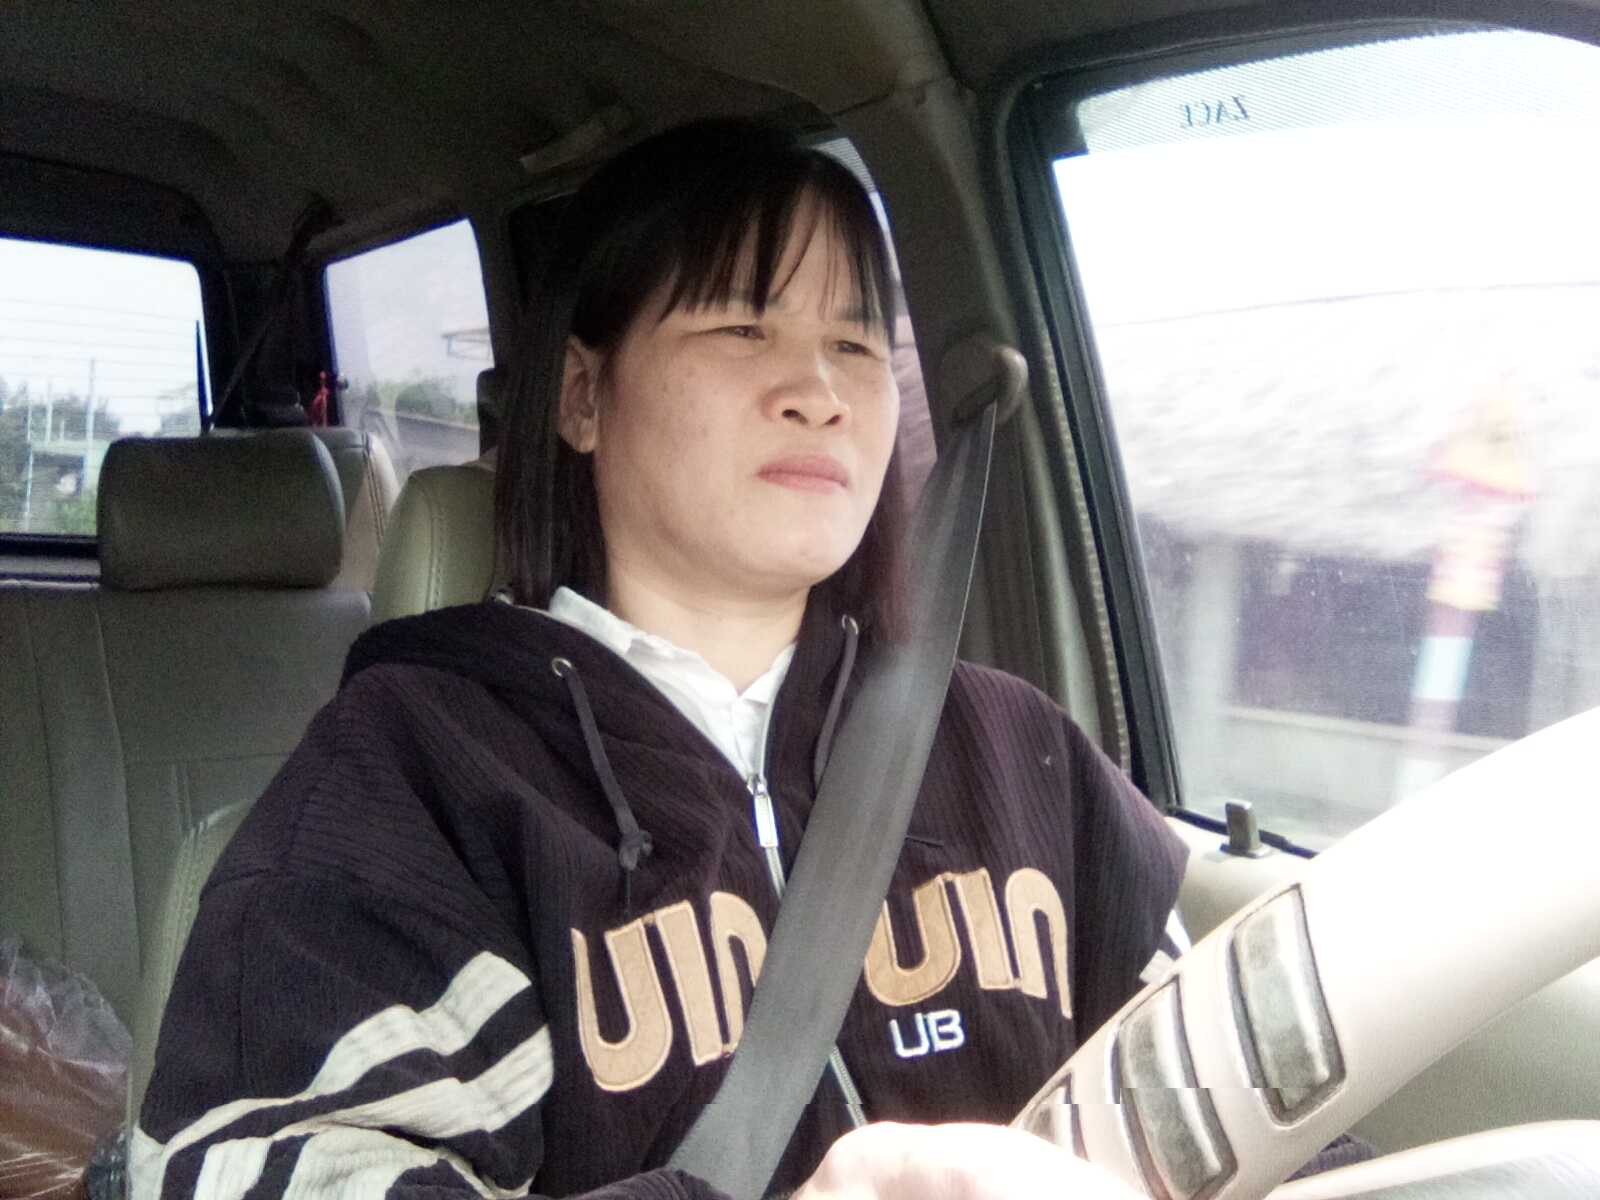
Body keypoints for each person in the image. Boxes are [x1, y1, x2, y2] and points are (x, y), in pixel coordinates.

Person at [131, 120, 1187, 1200]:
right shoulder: (423, 771)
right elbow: (267, 1172)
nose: (818, 391)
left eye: (856, 345)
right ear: (583, 397)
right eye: (743, 326)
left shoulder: (1014, 749)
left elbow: (1220, 1095)